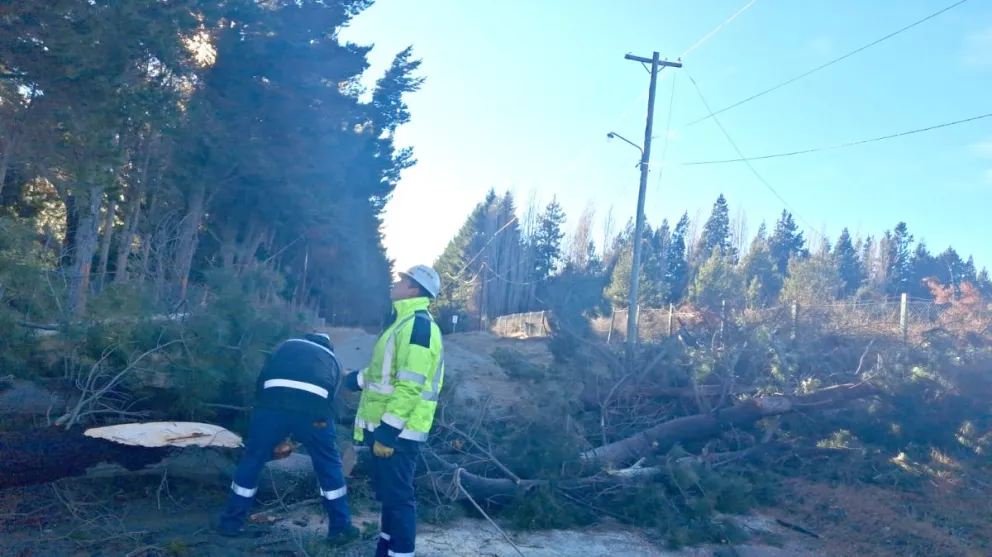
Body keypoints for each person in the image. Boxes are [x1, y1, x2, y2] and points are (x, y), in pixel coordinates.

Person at [217, 332, 359, 543]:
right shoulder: (332, 358)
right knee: (329, 465)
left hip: (271, 407)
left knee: (252, 460)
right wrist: (305, 434)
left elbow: (261, 381)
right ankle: (340, 527)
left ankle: (231, 523)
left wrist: (267, 424)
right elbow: (333, 400)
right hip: (314, 411)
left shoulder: (284, 347)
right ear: (327, 345)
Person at [344, 265, 444, 557]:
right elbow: (382, 374)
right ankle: (385, 549)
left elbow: (410, 385)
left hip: (399, 432)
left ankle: (400, 553)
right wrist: (354, 380)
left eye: (402, 280)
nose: (395, 283)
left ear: (414, 289)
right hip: (388, 428)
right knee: (389, 497)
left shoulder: (418, 326)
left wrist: (388, 431)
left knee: (399, 498)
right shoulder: (402, 323)